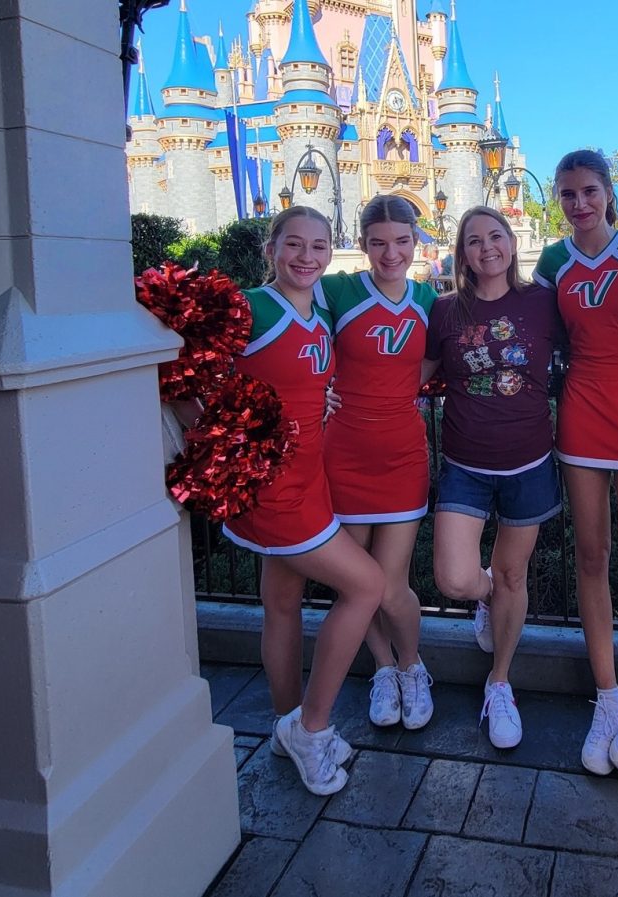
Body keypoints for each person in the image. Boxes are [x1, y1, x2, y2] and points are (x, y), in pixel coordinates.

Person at [221, 206, 384, 795]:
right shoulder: (248, 306)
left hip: (310, 474)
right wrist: (221, 437)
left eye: (319, 246)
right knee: (366, 585)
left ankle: (287, 726)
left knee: (283, 601)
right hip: (273, 488)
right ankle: (313, 728)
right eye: (294, 244)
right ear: (272, 249)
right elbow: (179, 370)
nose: (307, 257)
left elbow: (303, 380)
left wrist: (320, 402)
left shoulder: (319, 312)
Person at [533, 149, 618, 777]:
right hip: (583, 408)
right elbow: (537, 336)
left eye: (589, 191)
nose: (579, 203)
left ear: (610, 193)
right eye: (567, 194)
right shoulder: (553, 261)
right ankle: (607, 699)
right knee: (592, 557)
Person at [422, 206, 564, 748]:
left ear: (511, 242)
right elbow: (412, 377)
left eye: (496, 236)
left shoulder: (542, 304)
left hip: (529, 464)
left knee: (513, 577)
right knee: (457, 579)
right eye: (475, 240)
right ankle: (486, 600)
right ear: (463, 252)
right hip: (465, 465)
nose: (488, 247)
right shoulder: (444, 311)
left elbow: (595, 349)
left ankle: (500, 681)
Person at [319, 195, 437, 733]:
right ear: (363, 244)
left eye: (402, 241)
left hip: (402, 454)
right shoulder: (337, 291)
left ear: (416, 241)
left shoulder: (429, 299)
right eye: (378, 243)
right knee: (357, 580)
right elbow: (297, 336)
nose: (391, 253)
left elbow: (432, 367)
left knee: (391, 583)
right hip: (343, 453)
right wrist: (315, 388)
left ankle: (413, 665)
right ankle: (383, 669)